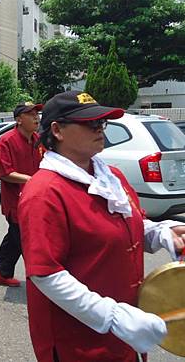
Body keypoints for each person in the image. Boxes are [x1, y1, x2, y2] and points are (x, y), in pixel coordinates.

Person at [18, 90, 185, 361]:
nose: (100, 129)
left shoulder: (110, 176)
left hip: (126, 332)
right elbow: (46, 274)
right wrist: (112, 316)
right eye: (90, 123)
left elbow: (129, 224)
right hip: (78, 340)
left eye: (101, 123)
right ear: (58, 130)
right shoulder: (45, 192)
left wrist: (160, 232)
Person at [0, 102, 43, 287]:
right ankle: (41, 281)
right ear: (19, 119)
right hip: (17, 202)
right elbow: (4, 172)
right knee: (26, 240)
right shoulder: (7, 140)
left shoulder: (38, 139)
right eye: (31, 114)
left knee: (15, 238)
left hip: (36, 199)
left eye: (37, 113)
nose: (36, 117)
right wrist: (31, 180)